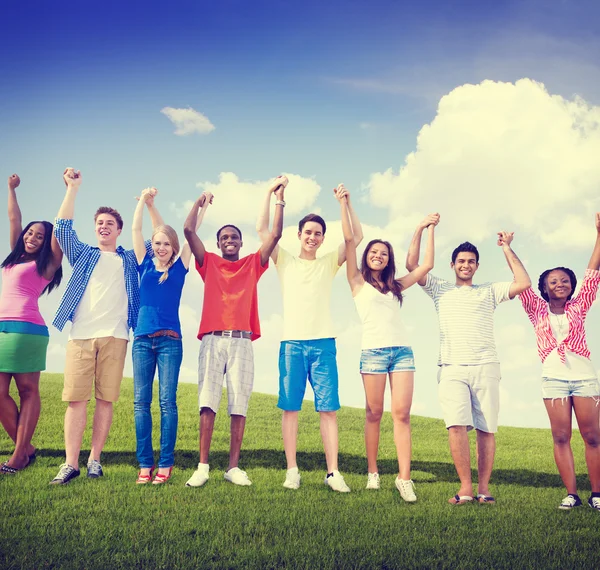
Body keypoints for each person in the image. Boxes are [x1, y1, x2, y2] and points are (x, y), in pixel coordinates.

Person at [406, 227, 531, 504]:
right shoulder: (440, 288)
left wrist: (506, 247)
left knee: (486, 429)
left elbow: (523, 282)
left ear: (477, 265)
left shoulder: (489, 290)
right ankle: (465, 488)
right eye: (461, 261)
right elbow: (411, 266)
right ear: (452, 265)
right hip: (451, 366)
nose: (466, 265)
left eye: (471, 261)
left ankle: (484, 489)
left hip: (486, 364)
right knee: (456, 426)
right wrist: (423, 229)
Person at [50, 168, 156, 485]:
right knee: (76, 400)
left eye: (110, 223)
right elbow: (63, 229)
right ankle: (70, 463)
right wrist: (73, 188)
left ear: (120, 230)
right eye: (100, 223)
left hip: (117, 337)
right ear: (95, 230)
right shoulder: (83, 254)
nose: (104, 227)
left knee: (106, 400)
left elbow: (161, 238)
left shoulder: (130, 258)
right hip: (81, 336)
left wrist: (149, 205)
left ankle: (95, 459)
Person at [257, 182, 363, 493]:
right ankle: (292, 470)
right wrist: (273, 196)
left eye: (318, 233)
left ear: (322, 238)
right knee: (290, 409)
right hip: (291, 344)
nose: (313, 237)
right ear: (299, 235)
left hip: (323, 344)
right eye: (308, 232)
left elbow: (356, 238)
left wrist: (345, 202)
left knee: (328, 410)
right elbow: (263, 230)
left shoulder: (329, 262)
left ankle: (333, 473)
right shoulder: (285, 259)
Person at [337, 188, 438, 500]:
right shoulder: (356, 281)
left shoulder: (395, 286)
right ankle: (372, 472)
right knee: (373, 413)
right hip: (374, 354)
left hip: (402, 353)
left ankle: (403, 478)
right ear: (367, 257)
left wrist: (424, 228)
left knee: (402, 415)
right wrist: (345, 203)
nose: (377, 256)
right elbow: (350, 239)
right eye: (373, 252)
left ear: (388, 260)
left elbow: (426, 266)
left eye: (383, 253)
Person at [185, 177, 285, 488]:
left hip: (242, 342)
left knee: (239, 403)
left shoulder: (253, 264)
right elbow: (189, 231)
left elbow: (276, 233)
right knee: (207, 401)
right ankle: (202, 466)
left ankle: (233, 467)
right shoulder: (209, 263)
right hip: (213, 340)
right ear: (218, 243)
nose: (229, 240)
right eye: (224, 237)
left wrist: (277, 198)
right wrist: (199, 203)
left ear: (241, 243)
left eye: (234, 237)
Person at [518, 214, 600, 511]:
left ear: (571, 285)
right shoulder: (536, 310)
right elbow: (522, 283)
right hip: (553, 379)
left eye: (565, 280)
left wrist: (599, 233)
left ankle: (597, 494)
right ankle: (572, 494)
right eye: (553, 281)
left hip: (584, 378)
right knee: (561, 436)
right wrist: (506, 249)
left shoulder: (579, 305)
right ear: (545, 287)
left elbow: (592, 272)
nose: (560, 284)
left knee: (592, 436)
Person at [131, 188, 201, 484]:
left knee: (167, 403)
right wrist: (146, 203)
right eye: (156, 243)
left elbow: (190, 233)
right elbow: (137, 228)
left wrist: (201, 206)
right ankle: (145, 464)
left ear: (173, 247)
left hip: (170, 341)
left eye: (165, 244)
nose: (160, 247)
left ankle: (166, 464)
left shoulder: (180, 268)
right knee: (140, 403)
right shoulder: (144, 264)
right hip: (142, 341)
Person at [0, 174, 62, 474]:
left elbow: (59, 233)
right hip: (1, 328)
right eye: (30, 233)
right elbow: (14, 217)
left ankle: (18, 456)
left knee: (27, 390)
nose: (32, 237)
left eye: (40, 236)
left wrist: (69, 192)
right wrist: (11, 189)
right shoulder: (14, 255)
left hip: (27, 329)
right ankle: (26, 448)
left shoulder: (47, 265)